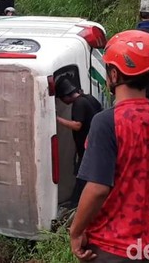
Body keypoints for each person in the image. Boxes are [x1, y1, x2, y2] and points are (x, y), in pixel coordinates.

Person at [69, 30, 149, 261]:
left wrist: (76, 230)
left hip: (110, 245)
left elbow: (98, 189)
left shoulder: (106, 122)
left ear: (113, 74)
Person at [55, 78, 102, 208]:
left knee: (82, 177)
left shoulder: (78, 103)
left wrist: (57, 119)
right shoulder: (88, 98)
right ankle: (77, 203)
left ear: (66, 96)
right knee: (83, 175)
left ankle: (75, 205)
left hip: (88, 148)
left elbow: (77, 125)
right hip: (95, 145)